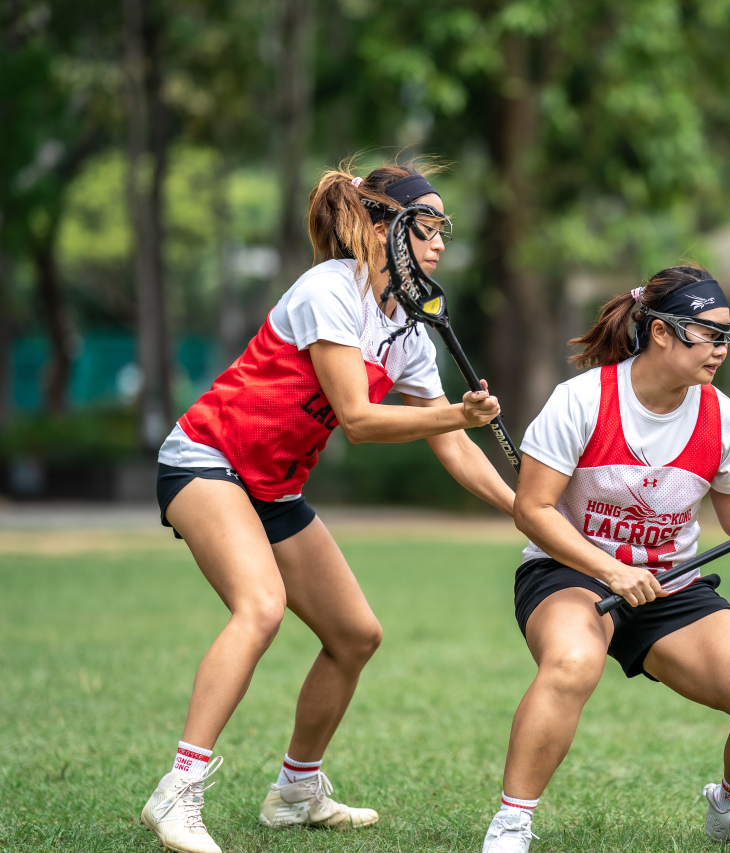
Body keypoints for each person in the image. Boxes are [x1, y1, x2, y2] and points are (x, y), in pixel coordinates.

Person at [141, 160, 515, 853]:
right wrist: (456, 418)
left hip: (275, 487)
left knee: (355, 634)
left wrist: (524, 509)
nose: (437, 245)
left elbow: (454, 448)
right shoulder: (327, 291)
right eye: (423, 229)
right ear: (377, 226)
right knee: (260, 607)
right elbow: (359, 418)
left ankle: (295, 790)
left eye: (443, 233)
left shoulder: (405, 325)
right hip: (206, 459)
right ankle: (178, 790)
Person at [479, 266, 730, 852]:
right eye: (711, 334)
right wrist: (610, 571)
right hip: (569, 572)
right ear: (661, 333)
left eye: (729, 336)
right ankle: (511, 824)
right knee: (574, 662)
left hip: (670, 585)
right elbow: (533, 510)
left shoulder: (721, 416)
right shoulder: (581, 400)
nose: (722, 350)